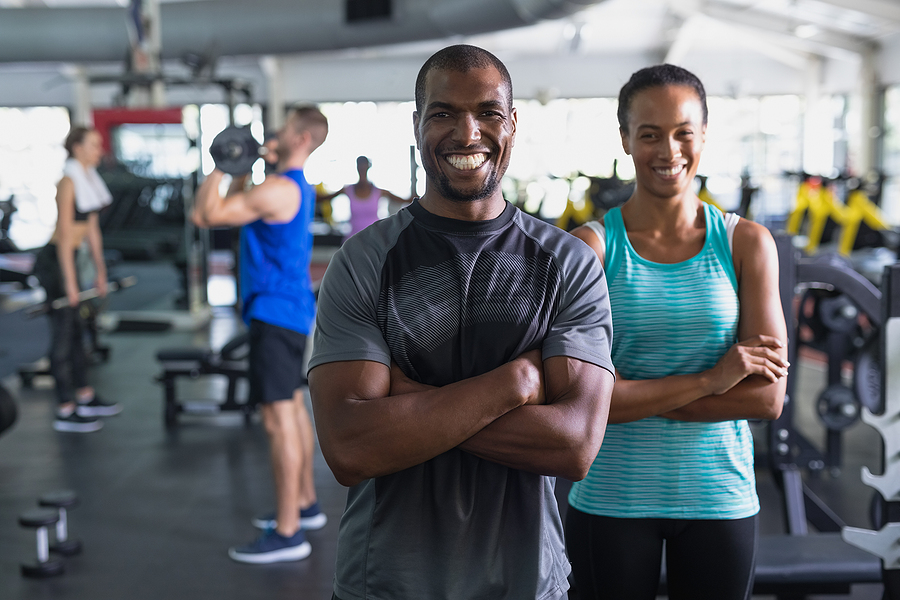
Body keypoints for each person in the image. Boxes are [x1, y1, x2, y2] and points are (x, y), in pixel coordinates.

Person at [308, 44, 616, 600]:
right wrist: (514, 385)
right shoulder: (364, 261)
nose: (467, 133)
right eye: (444, 112)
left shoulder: (568, 264)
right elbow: (351, 448)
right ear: (418, 124)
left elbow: (573, 446)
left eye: (488, 113)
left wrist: (412, 402)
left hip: (526, 582)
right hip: (385, 583)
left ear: (512, 124)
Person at [566, 64, 789, 600]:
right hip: (612, 497)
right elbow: (582, 399)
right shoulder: (590, 249)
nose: (669, 150)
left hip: (719, 497)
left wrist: (627, 394)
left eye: (684, 132)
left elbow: (766, 398)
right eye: (649, 134)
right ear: (625, 139)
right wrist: (715, 380)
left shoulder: (747, 245)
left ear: (704, 135)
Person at [192, 106, 329, 564]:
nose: (277, 132)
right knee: (290, 408)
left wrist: (220, 162)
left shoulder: (278, 189)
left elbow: (205, 214)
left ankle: (288, 532)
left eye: (287, 127)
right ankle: (304, 506)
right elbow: (239, 201)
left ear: (303, 138)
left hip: (274, 314)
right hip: (288, 312)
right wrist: (244, 164)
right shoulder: (287, 187)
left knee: (276, 421)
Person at [33, 126, 121, 433]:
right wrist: (71, 284)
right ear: (78, 149)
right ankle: (64, 409)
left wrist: (100, 271)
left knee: (79, 329)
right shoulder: (68, 183)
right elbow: (67, 235)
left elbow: (92, 232)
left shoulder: (90, 182)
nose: (100, 150)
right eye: (94, 145)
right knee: (64, 332)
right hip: (55, 262)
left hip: (70, 261)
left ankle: (84, 396)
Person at [317, 155, 411, 239]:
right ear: (357, 167)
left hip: (374, 239)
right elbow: (324, 198)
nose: (361, 168)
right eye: (359, 166)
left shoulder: (378, 191)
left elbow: (403, 200)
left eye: (363, 165)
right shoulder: (348, 189)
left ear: (367, 167)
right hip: (353, 240)